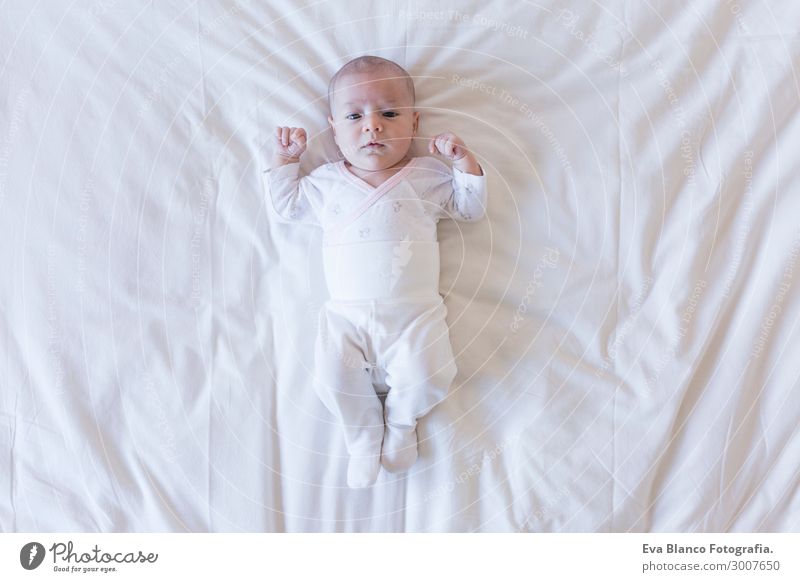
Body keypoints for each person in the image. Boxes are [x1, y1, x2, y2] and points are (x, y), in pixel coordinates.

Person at [265, 55, 486, 488]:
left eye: (389, 113)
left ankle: (403, 423)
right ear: (333, 126)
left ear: (415, 121)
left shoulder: (426, 175)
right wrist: (284, 161)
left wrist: (465, 164)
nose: (373, 126)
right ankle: (363, 435)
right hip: (345, 317)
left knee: (432, 372)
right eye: (355, 115)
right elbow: (286, 207)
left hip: (416, 315)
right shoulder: (327, 183)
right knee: (332, 378)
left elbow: (470, 209)